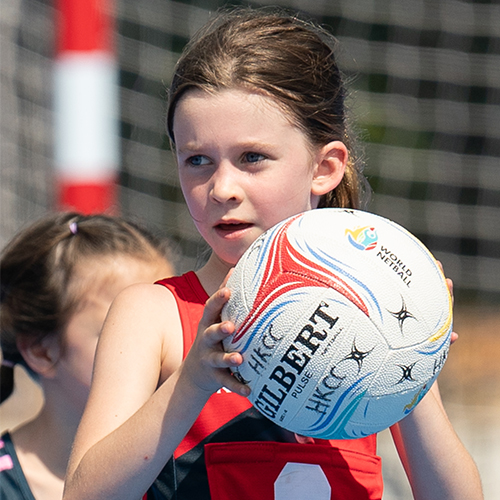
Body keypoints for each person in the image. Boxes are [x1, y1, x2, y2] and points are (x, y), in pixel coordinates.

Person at [63, 8, 483, 500]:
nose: (221, 187)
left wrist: (414, 356)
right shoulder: (154, 315)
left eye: (252, 158)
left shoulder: (370, 320)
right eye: (197, 160)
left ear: (324, 168)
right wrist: (190, 384)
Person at [0, 212, 175, 500]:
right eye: (125, 328)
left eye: (167, 323)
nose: (157, 347)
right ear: (41, 351)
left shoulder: (191, 466)